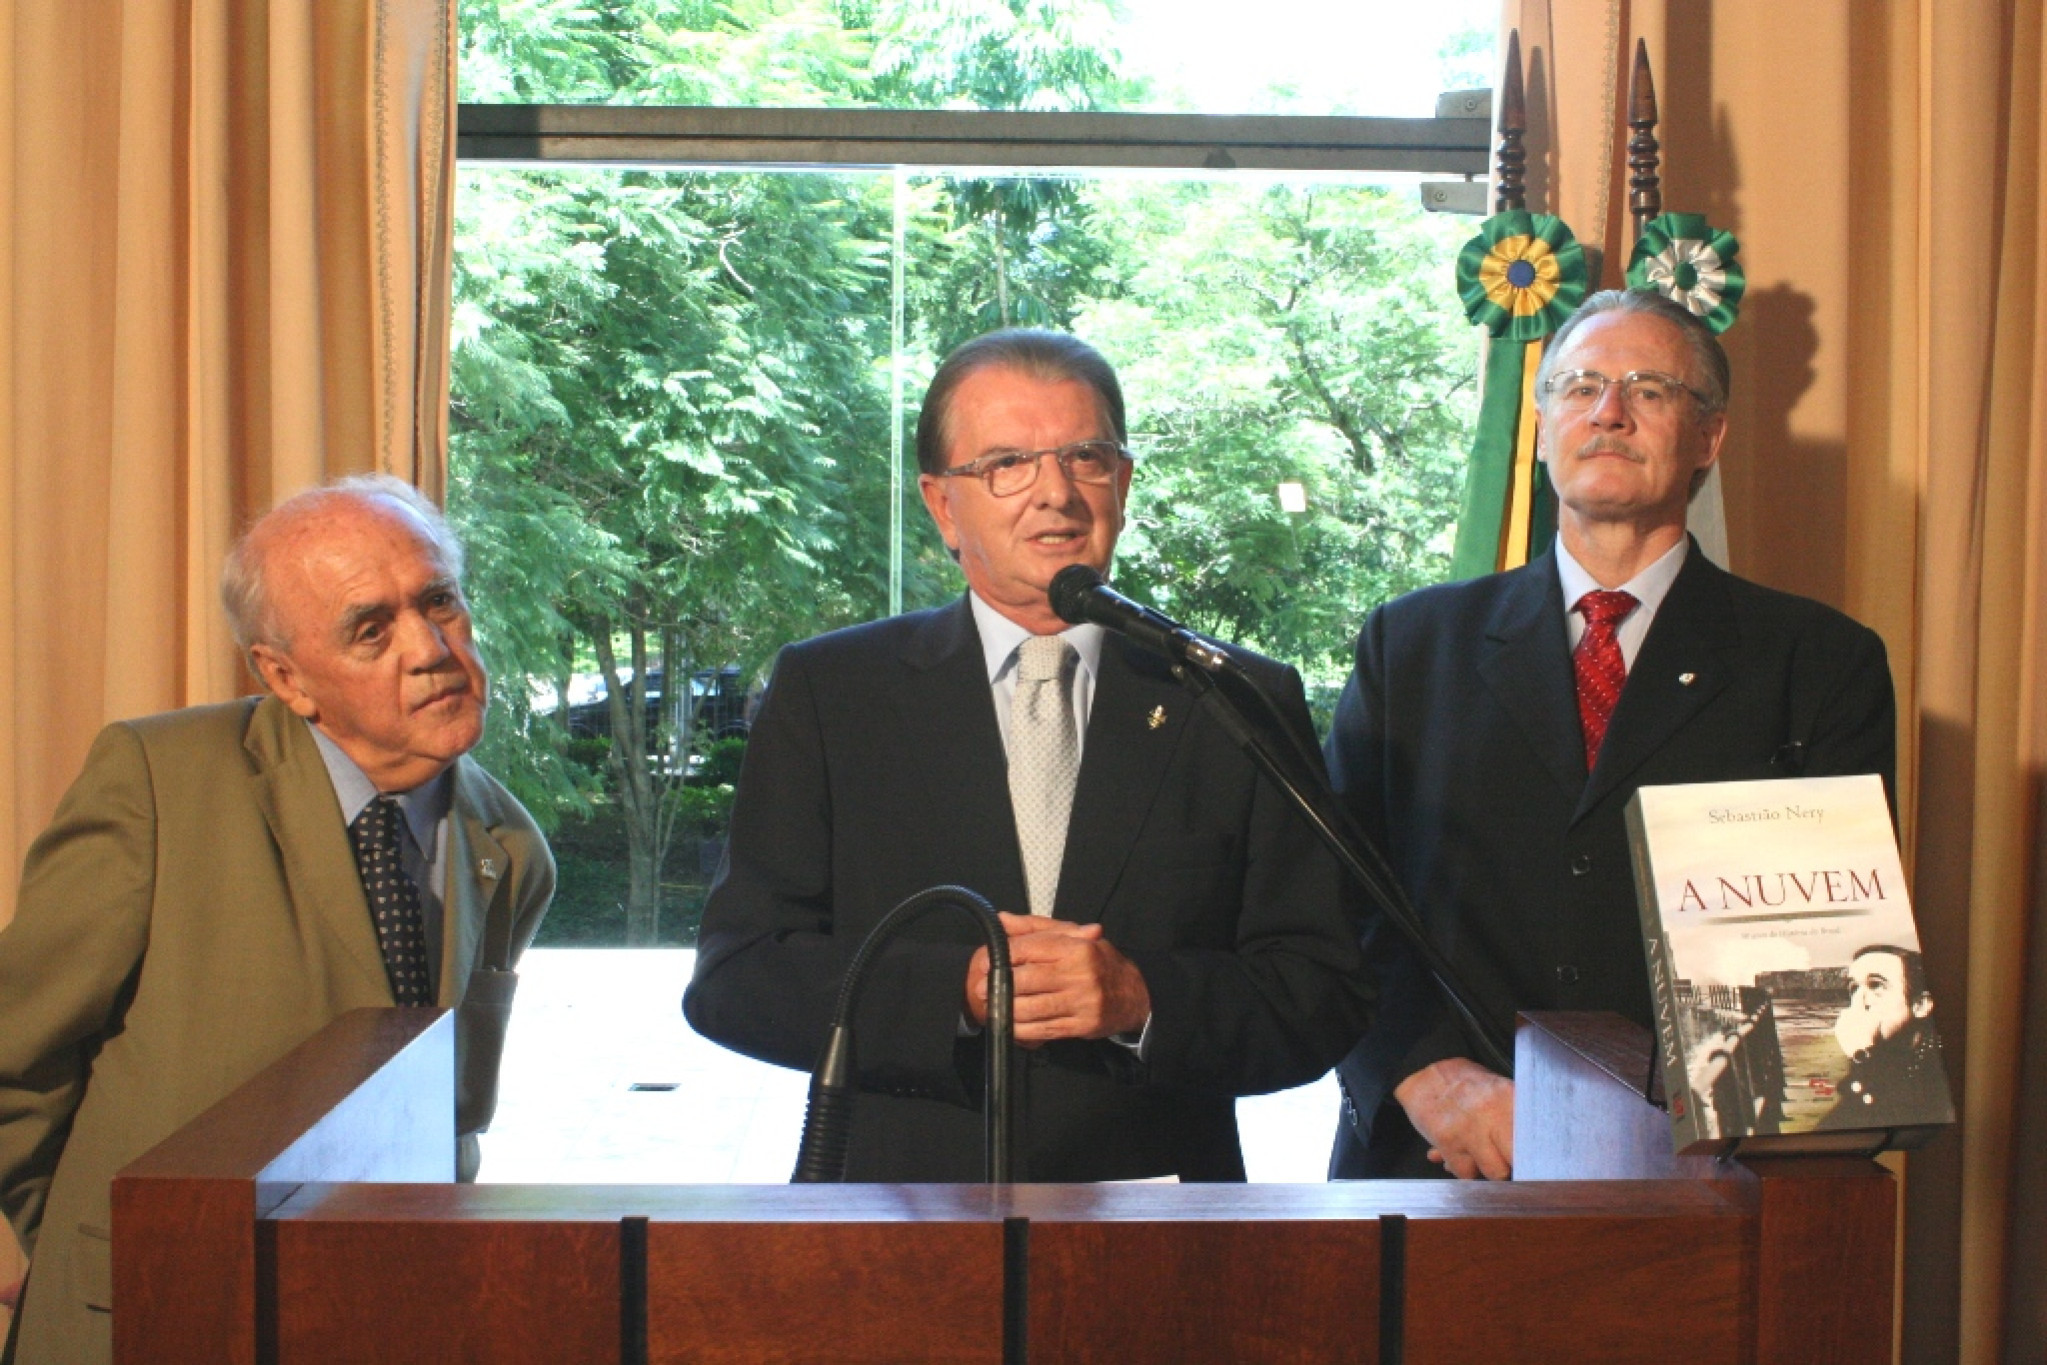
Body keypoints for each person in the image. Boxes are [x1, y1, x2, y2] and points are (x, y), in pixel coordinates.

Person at [684, 328, 1372, 1182]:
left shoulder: (1233, 698)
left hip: (1162, 1233)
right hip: (897, 1226)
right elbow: (737, 977)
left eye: (1084, 457)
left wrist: (1141, 997)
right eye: (1007, 462)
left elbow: (1320, 991)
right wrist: (959, 991)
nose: (1055, 493)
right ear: (942, 505)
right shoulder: (832, 690)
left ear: (1120, 484)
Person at [1326, 289, 1896, 1181]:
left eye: (1649, 389)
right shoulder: (1409, 645)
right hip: (1438, 1156)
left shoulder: (1820, 663)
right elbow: (1332, 897)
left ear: (1708, 437)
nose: (1608, 411)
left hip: (1706, 1173)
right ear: (1544, 422)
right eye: (1579, 385)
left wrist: (1653, 1124)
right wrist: (1423, 1073)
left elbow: (1825, 961)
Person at [0, 476, 555, 1365]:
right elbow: (14, 1062)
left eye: (439, 600)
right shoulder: (158, 782)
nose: (430, 648)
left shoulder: (511, 846)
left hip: (382, 1323)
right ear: (286, 676)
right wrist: (90, 1241)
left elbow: (451, 1118)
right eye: (371, 628)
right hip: (154, 1319)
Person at [1816, 945, 1950, 1130]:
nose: (1858, 1001)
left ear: (1920, 1005)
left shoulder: (1942, 1071)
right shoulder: (1881, 1061)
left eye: (1876, 985)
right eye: (1854, 988)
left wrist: (1862, 1054)